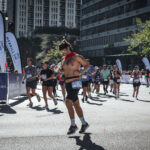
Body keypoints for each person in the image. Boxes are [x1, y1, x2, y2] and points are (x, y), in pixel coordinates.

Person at [59, 39, 90, 135]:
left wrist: (81, 72)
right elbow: (63, 70)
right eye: (61, 51)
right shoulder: (63, 59)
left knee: (68, 102)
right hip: (67, 83)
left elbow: (87, 65)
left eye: (64, 50)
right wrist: (61, 71)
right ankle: (84, 123)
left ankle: (73, 125)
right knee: (76, 104)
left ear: (68, 48)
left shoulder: (76, 57)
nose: (63, 52)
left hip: (76, 82)